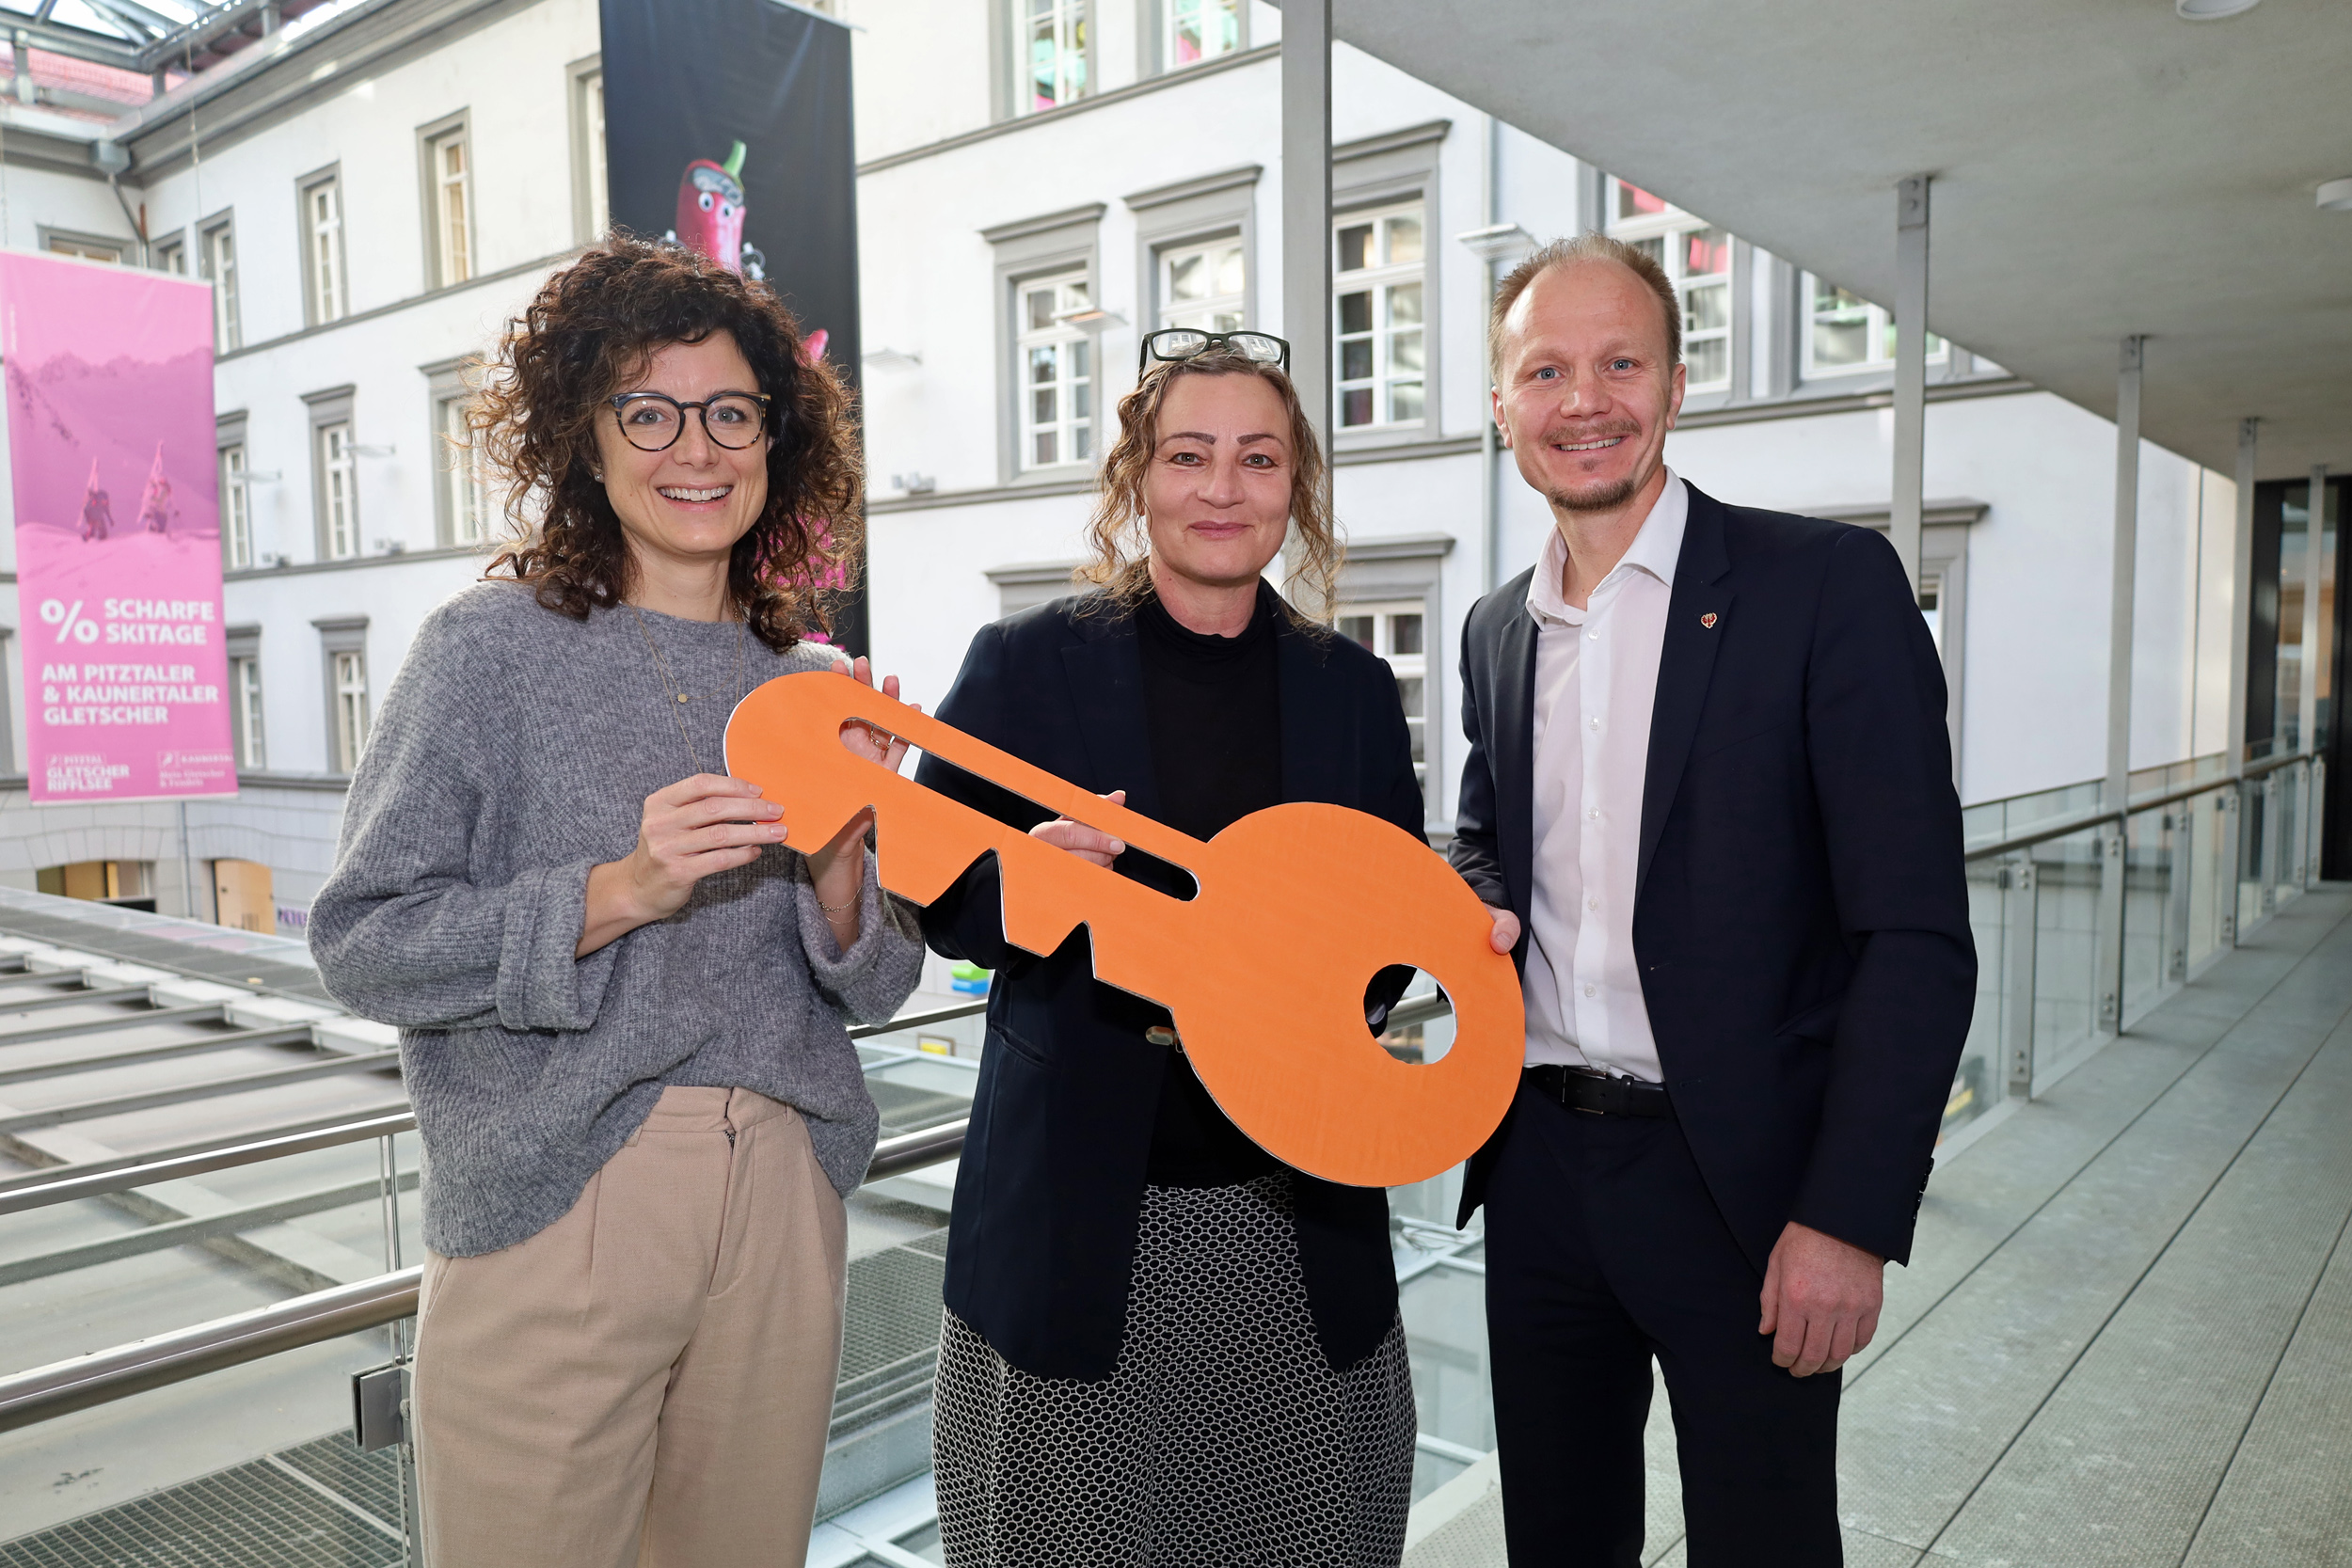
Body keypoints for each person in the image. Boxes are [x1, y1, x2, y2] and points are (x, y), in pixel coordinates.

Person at [308, 237, 926, 1568]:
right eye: (648, 411)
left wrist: (839, 865)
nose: (693, 448)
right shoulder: (489, 649)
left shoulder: (817, 678)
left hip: (784, 1196)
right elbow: (363, 944)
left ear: (775, 440)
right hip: (560, 1194)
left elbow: (881, 983)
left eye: (730, 413)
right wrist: (615, 893)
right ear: (585, 441)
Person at [1450, 233, 1976, 1565]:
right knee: (1559, 1541)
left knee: (1766, 1540)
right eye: (1548, 369)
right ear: (1501, 402)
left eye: (1621, 362)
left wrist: (1850, 1216)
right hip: (1543, 1170)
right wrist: (1474, 899)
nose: (1587, 401)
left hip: (1745, 1183)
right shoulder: (1496, 628)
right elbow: (1489, 840)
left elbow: (1913, 932)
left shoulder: (1823, 591)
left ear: (1677, 385)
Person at [918, 332, 1424, 1567]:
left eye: (1257, 460)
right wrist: (1021, 878)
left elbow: (1395, 938)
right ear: (1137, 479)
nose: (1221, 488)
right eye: (1188, 455)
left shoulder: (1351, 689)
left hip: (1291, 1219)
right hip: (1079, 1219)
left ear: (1292, 486)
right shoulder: (1027, 664)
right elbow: (936, 894)